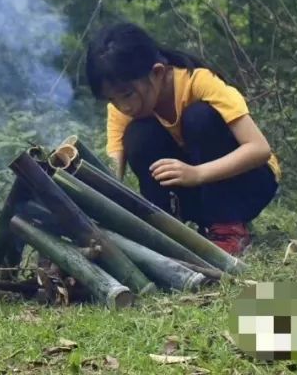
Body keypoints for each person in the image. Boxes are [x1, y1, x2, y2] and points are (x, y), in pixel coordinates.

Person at [85, 21, 280, 255]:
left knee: (199, 117)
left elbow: (259, 149)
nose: (123, 106)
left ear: (157, 72)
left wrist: (197, 173)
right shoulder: (122, 107)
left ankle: (229, 228)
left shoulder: (199, 82)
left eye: (127, 94)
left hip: (248, 185)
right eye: (112, 100)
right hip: (196, 194)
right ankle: (168, 230)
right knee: (139, 135)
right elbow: (112, 170)